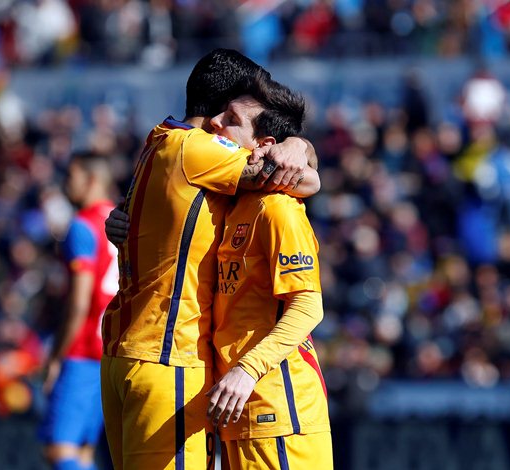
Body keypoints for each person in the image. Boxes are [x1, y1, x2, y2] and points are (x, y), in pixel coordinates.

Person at [99, 49, 321, 470]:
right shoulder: (199, 151)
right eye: (231, 115)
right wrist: (301, 149)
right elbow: (307, 179)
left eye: (234, 122)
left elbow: (307, 305)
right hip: (168, 355)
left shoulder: (160, 140)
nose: (222, 126)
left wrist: (295, 141)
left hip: (129, 352)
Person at [205, 80, 332, 469]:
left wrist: (247, 370)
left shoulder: (276, 210)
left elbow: (308, 306)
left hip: (279, 407)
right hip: (238, 408)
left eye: (231, 120)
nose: (213, 123)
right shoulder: (232, 203)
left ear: (264, 145)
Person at [40, 152, 119, 470]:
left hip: (83, 350)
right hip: (110, 350)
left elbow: (79, 301)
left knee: (59, 450)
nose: (65, 183)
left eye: (70, 176)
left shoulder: (82, 226)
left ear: (91, 179)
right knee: (85, 451)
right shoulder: (120, 218)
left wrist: (57, 356)